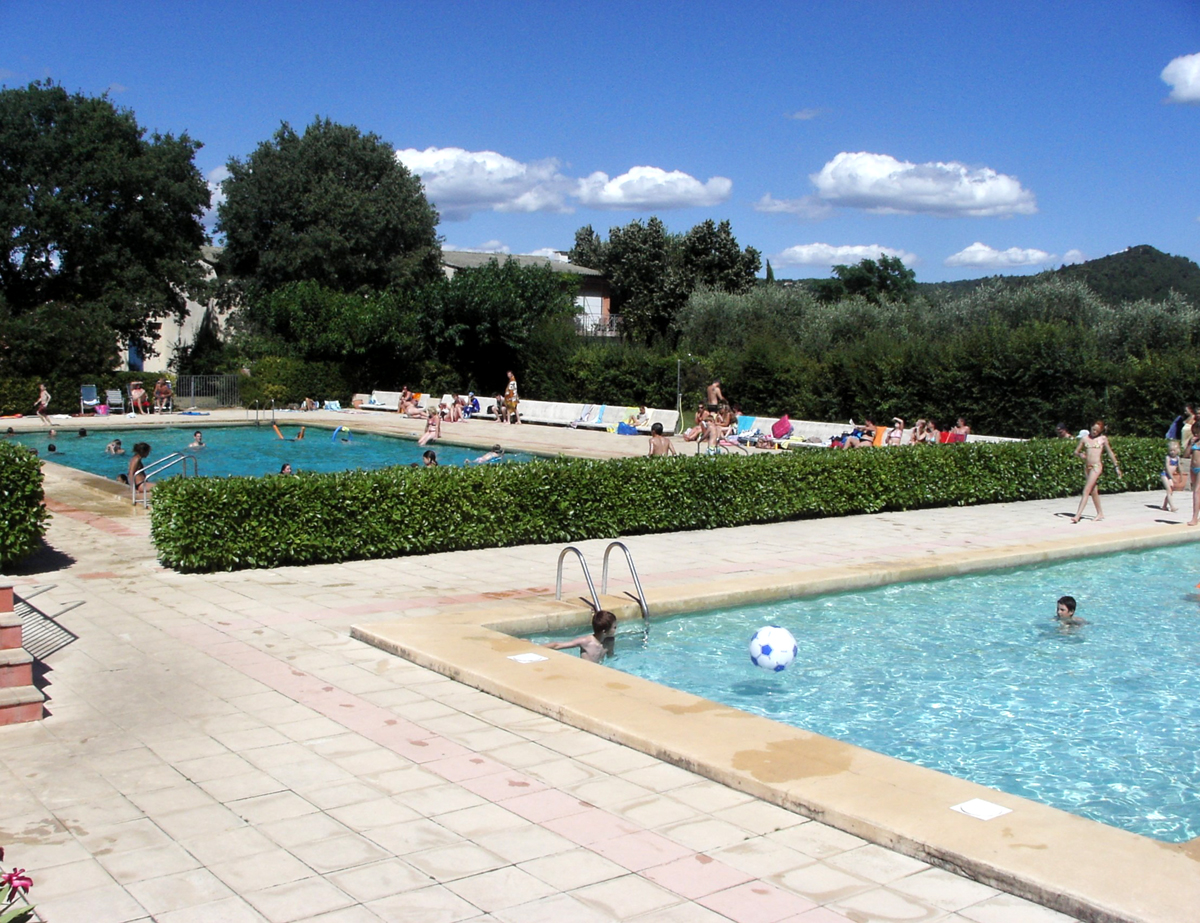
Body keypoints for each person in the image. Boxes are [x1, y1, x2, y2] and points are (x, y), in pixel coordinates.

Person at [1072, 420, 1122, 523]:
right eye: (1093, 429)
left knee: (1086, 490)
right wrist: (1080, 454)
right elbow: (1076, 451)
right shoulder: (1084, 439)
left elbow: (1110, 453)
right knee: (1093, 491)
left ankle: (1078, 515)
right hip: (1087, 467)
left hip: (1096, 466)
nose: (1094, 432)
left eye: (1097, 431)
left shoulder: (1102, 439)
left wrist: (1116, 466)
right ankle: (1100, 513)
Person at [541, 609, 617, 663]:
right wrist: (536, 648)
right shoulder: (586, 642)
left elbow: (611, 658)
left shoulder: (610, 641)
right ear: (604, 631)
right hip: (584, 671)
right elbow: (557, 645)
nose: (616, 629)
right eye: (614, 627)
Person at [1162, 440, 1184, 512]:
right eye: (1170, 450)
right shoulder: (1168, 458)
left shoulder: (1177, 458)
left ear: (1177, 450)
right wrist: (1171, 477)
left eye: (1174, 450)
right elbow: (1167, 468)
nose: (1172, 452)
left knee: (1171, 491)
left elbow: (1179, 467)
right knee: (1168, 490)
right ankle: (1172, 507)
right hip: (1165, 475)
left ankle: (1164, 506)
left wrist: (1181, 475)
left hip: (1170, 476)